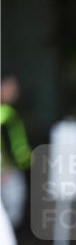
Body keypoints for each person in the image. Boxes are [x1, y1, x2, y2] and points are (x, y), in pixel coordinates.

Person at [1, 75, 31, 230]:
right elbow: (14, 145)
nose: (15, 93)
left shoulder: (10, 112)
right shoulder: (6, 114)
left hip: (10, 171)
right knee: (10, 217)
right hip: (8, 173)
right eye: (11, 88)